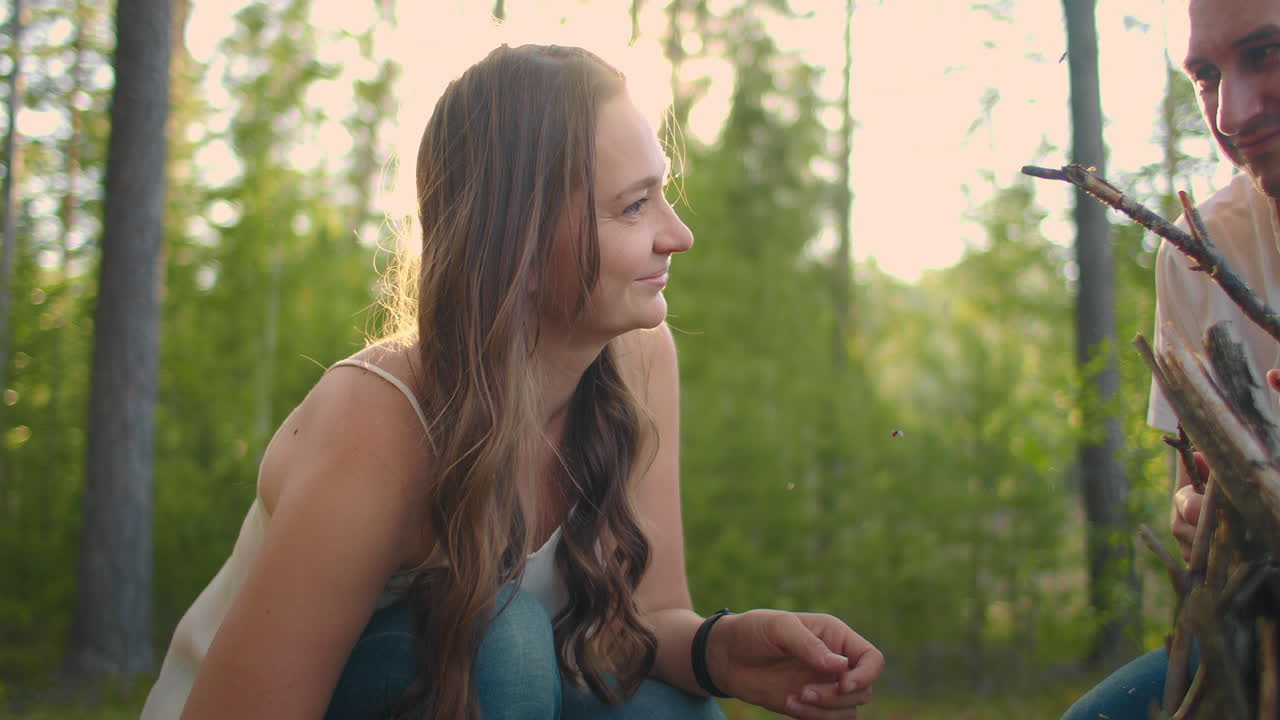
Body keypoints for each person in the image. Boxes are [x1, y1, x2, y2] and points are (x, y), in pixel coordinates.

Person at [140, 43, 884, 720]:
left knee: (658, 712)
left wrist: (721, 648)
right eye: (634, 205)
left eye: (663, 191)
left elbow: (647, 623)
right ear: (520, 248)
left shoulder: (639, 354)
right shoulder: (381, 422)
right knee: (508, 641)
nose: (678, 234)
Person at [1062, 0, 1280, 717]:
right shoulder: (1199, 253)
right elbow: (1189, 496)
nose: (1230, 115)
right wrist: (1202, 517)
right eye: (1207, 76)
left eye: (1267, 52)